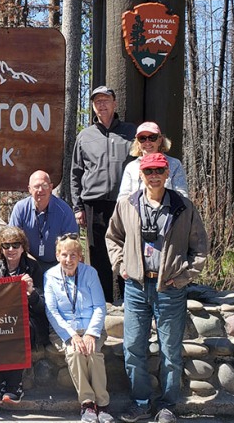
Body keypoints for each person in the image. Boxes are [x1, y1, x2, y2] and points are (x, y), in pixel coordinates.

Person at [106, 153, 209, 423]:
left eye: (159, 171)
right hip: (137, 287)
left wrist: (185, 275)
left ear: (167, 174)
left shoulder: (183, 206)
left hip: (170, 288)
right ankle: (140, 402)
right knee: (133, 348)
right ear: (141, 174)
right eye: (149, 170)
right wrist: (120, 264)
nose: (154, 175)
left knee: (170, 351)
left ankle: (167, 406)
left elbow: (199, 248)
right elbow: (113, 237)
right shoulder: (127, 204)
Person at [69, 85, 137, 304]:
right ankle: (104, 303)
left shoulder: (130, 133)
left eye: (106, 100)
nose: (101, 105)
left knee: (128, 251)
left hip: (125, 203)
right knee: (98, 255)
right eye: (97, 101)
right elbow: (76, 173)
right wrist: (78, 207)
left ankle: (130, 302)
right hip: (94, 204)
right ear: (93, 106)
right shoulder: (85, 136)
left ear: (114, 104)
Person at [44, 233, 112, 423]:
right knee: (75, 353)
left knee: (92, 353)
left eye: (73, 255)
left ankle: (103, 405)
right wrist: (73, 335)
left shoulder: (90, 273)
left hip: (91, 328)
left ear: (80, 256)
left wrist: (91, 333)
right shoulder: (49, 276)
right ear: (57, 255)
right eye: (64, 255)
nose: (69, 259)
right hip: (64, 331)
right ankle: (88, 405)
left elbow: (99, 306)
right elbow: (52, 312)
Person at [0, 226, 47, 406]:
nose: (11, 250)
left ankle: (14, 385)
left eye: (16, 245)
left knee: (17, 330)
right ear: (0, 248)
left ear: (23, 247)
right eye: (6, 245)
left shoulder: (33, 268)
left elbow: (42, 306)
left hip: (28, 318)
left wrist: (31, 291)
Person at [8, 170, 79, 274]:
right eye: (36, 186)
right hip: (27, 263)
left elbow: (72, 244)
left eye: (45, 186)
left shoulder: (64, 210)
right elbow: (13, 241)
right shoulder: (20, 208)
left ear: (51, 187)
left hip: (58, 264)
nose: (40, 190)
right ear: (29, 189)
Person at [117, 122, 188, 200]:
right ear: (137, 142)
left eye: (152, 137)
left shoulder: (174, 164)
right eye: (142, 138)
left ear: (160, 140)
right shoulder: (131, 167)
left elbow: (182, 195)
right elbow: (122, 197)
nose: (147, 142)